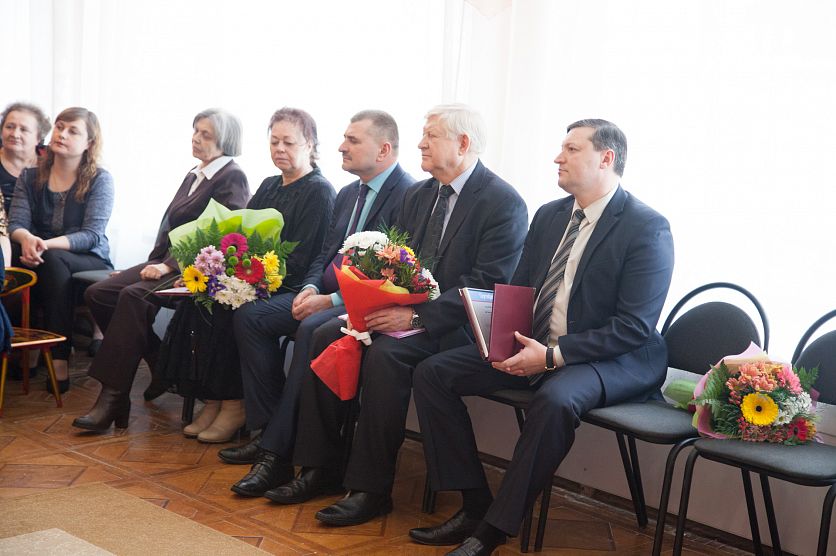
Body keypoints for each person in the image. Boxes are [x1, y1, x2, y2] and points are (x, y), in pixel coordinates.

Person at [408, 119, 675, 556]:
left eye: (571, 149)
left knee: (554, 400)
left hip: (612, 358)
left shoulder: (646, 227)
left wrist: (552, 356)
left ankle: (493, 530)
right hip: (538, 344)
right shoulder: (550, 215)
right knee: (433, 373)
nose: (557, 157)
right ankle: (474, 504)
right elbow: (520, 290)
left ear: (606, 158)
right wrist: (498, 339)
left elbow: (633, 327)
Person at [261, 104, 528, 526]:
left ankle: (370, 489)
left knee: (387, 355)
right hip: (404, 315)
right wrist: (373, 304)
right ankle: (318, 468)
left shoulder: (502, 202)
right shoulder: (419, 195)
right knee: (325, 334)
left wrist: (416, 318)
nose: (420, 143)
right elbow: (395, 262)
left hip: (457, 329)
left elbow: (484, 285)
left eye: (432, 135)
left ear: (463, 143)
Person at [224, 110, 414, 493]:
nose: (341, 146)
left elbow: (393, 275)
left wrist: (331, 299)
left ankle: (276, 454)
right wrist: (310, 288)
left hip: (364, 305)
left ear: (383, 150)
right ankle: (269, 427)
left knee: (312, 328)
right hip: (324, 296)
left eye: (352, 140)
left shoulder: (408, 195)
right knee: (251, 317)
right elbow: (325, 254)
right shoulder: (349, 193)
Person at [162, 107, 337, 443]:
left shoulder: (319, 191)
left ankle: (235, 403)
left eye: (288, 142)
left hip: (291, 284)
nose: (279, 149)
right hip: (255, 278)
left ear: (310, 144)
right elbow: (238, 234)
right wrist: (218, 272)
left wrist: (245, 281)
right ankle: (214, 399)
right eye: (274, 141)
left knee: (232, 308)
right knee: (203, 300)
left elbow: (304, 258)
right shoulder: (270, 185)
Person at [72, 108, 250, 432]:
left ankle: (113, 398)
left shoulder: (231, 176)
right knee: (99, 294)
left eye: (205, 134)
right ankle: (158, 361)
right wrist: (143, 265)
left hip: (197, 270)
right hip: (168, 261)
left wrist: (167, 265)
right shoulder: (196, 173)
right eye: (195, 131)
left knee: (133, 298)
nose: (196, 138)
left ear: (225, 141)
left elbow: (220, 234)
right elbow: (171, 228)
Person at [8, 107, 114, 394]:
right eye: (59, 126)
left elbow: (92, 235)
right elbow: (16, 223)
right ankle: (35, 347)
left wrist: (43, 244)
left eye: (72, 131)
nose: (62, 134)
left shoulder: (100, 179)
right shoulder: (30, 177)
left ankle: (57, 355)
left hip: (88, 259)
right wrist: (27, 238)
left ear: (89, 143)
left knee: (52, 260)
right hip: (42, 253)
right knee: (22, 258)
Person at [1, 102, 52, 217]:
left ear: (39, 137)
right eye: (9, 127)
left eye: (24, 129)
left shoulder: (53, 161)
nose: (15, 134)